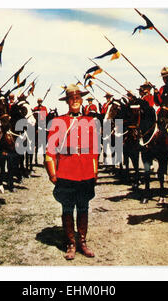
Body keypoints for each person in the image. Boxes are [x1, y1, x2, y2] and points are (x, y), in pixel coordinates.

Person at [45, 84, 99, 260]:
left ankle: (82, 242)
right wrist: (53, 173)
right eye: (72, 99)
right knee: (67, 207)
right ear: (67, 101)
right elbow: (50, 151)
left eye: (77, 98)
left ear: (81, 100)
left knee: (83, 207)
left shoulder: (90, 121)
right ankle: (71, 243)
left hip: (85, 172)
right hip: (66, 172)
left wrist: (94, 172)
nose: (75, 101)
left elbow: (94, 150)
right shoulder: (58, 122)